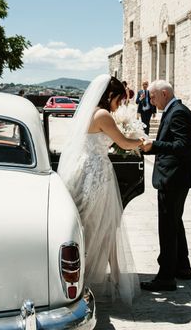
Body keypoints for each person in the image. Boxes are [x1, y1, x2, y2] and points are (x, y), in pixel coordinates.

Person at [57, 75, 142, 304]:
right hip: (98, 174)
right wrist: (141, 141)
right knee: (101, 226)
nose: (119, 105)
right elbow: (123, 142)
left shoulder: (89, 113)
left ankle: (110, 275)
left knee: (97, 225)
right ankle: (94, 278)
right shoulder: (102, 115)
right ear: (110, 95)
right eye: (118, 100)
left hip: (86, 169)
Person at [139, 80, 191, 291]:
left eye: (152, 97)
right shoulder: (174, 110)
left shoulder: (178, 113)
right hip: (174, 177)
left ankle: (166, 277)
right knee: (175, 223)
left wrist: (154, 145)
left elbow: (182, 146)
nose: (151, 102)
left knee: (168, 227)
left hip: (174, 178)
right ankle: (183, 267)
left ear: (164, 93)